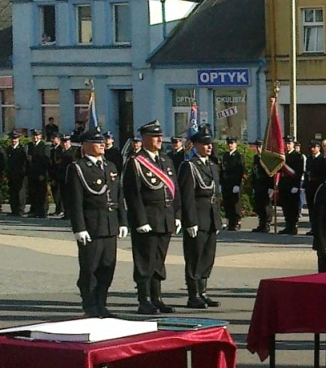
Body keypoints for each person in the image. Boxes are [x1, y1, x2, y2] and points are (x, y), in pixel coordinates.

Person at [66, 129, 127, 317]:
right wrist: (79, 228)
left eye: (103, 142)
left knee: (107, 267)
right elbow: (75, 201)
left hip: (109, 225)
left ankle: (102, 304)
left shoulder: (110, 166)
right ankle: (90, 305)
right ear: (85, 145)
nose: (102, 144)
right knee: (90, 268)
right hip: (91, 226)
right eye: (96, 142)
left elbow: (118, 197)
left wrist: (123, 222)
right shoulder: (78, 168)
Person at [123, 120, 182, 315]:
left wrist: (177, 215)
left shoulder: (165, 161)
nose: (159, 139)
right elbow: (133, 195)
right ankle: (144, 299)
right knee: (144, 260)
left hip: (164, 218)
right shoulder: (136, 162)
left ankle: (157, 298)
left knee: (159, 260)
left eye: (159, 136)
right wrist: (140, 220)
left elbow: (175, 190)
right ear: (145, 138)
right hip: (148, 218)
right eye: (155, 136)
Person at [178, 126, 221, 309]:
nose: (209, 147)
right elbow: (186, 196)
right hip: (197, 216)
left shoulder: (212, 165)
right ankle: (193, 294)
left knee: (207, 256)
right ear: (195, 145)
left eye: (210, 143)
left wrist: (218, 219)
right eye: (204, 144)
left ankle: (203, 292)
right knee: (194, 256)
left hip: (211, 216)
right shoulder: (189, 166)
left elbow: (216, 194)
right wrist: (190, 220)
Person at [279, 136, 306, 235]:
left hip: (292, 185)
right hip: (284, 185)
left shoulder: (298, 156)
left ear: (293, 144)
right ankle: (288, 225)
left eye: (289, 143)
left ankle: (293, 227)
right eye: (286, 143)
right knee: (285, 207)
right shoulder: (283, 156)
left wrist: (296, 185)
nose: (287, 145)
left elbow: (299, 172)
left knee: (293, 207)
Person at [305, 140, 326, 236]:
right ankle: (313, 227)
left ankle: (319, 228)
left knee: (319, 209)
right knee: (311, 209)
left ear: (319, 148)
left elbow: (325, 175)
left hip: (318, 187)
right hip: (310, 187)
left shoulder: (323, 159)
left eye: (314, 147)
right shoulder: (309, 159)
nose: (312, 149)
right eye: (311, 147)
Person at [221, 137, 245, 231]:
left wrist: (237, 184)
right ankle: (230, 222)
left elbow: (240, 170)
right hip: (226, 183)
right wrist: (220, 182)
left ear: (236, 144)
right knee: (227, 203)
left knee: (235, 204)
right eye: (228, 143)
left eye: (232, 143)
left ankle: (236, 222)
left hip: (235, 183)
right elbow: (222, 170)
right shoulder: (225, 156)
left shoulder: (239, 156)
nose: (230, 145)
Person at [250, 140, 273, 233]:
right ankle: (261, 223)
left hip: (266, 184)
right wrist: (253, 185)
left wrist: (271, 186)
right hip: (258, 184)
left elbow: (271, 173)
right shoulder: (256, 157)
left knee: (266, 206)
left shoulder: (267, 158)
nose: (259, 149)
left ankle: (267, 224)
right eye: (257, 147)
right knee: (259, 205)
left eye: (260, 147)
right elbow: (254, 172)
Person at [26, 129, 51, 218]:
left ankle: (43, 211)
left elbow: (45, 161)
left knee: (42, 193)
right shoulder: (30, 146)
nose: (35, 137)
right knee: (33, 192)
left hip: (41, 174)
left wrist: (43, 174)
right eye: (34, 135)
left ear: (40, 136)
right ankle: (34, 210)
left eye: (37, 135)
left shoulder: (44, 146)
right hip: (32, 173)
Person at [6, 131, 28, 217]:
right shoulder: (9, 149)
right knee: (12, 193)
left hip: (20, 175)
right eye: (12, 139)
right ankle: (13, 210)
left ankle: (20, 210)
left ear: (18, 139)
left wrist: (24, 173)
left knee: (20, 193)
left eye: (15, 138)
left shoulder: (22, 149)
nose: (13, 140)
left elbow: (25, 163)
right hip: (12, 174)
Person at [49, 134, 65, 218]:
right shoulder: (52, 149)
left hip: (60, 175)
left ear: (58, 139)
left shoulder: (61, 149)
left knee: (59, 194)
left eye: (53, 138)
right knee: (55, 193)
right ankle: (57, 209)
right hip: (54, 174)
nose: (52, 140)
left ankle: (61, 210)